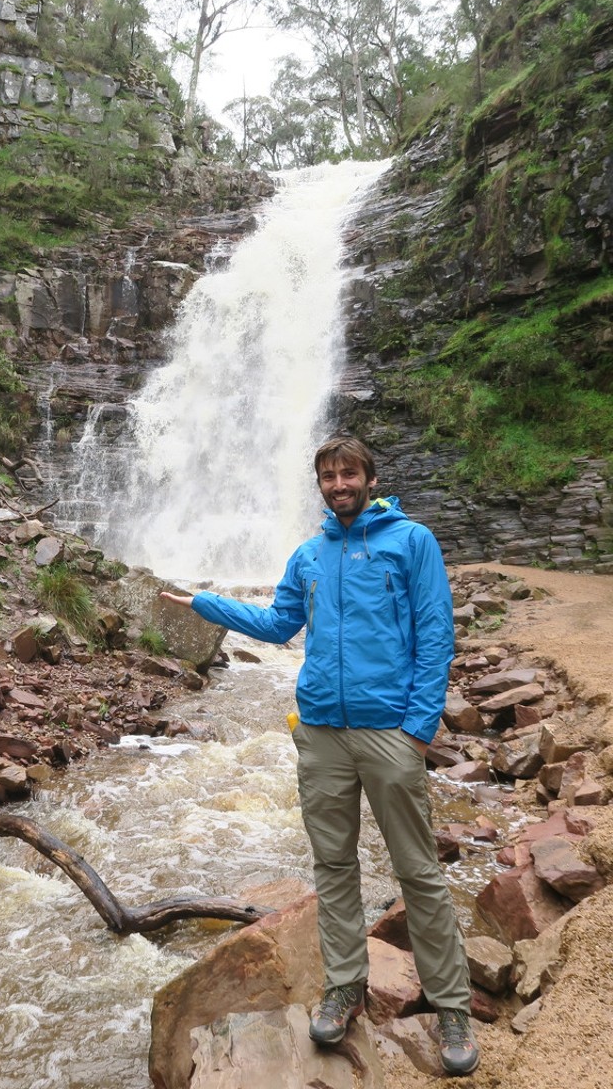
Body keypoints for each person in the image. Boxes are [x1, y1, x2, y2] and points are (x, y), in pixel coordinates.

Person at [160, 435, 479, 1077]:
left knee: (417, 870)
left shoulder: (410, 541)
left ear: (369, 477)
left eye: (349, 472)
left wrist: (418, 728)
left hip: (391, 732)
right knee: (333, 867)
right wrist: (202, 601)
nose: (339, 483)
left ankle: (452, 1008)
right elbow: (279, 625)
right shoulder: (308, 554)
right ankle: (343, 988)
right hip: (322, 734)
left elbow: (435, 632)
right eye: (329, 475)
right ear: (321, 485)